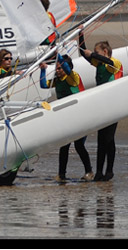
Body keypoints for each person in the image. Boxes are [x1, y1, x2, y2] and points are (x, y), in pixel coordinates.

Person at [40, 54, 93, 182]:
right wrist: (42, 69)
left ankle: (89, 171)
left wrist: (58, 54)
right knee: (64, 146)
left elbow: (68, 71)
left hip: (80, 116)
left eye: (60, 68)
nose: (57, 71)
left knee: (79, 145)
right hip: (66, 117)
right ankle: (61, 175)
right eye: (56, 69)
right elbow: (43, 85)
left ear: (67, 67)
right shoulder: (57, 80)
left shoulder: (73, 77)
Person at [79, 35, 123, 181]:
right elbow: (83, 53)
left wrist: (92, 54)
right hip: (101, 105)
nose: (95, 56)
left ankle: (109, 170)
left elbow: (108, 61)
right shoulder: (99, 64)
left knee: (109, 139)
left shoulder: (114, 63)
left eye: (98, 53)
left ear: (105, 51)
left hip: (113, 105)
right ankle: (99, 172)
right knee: (100, 139)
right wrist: (80, 35)